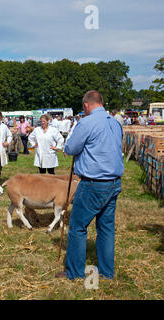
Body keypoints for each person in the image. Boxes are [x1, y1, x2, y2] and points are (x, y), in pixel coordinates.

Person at [56, 90, 123, 280]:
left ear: (86, 105)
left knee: (77, 226)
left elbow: (71, 148)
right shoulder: (115, 122)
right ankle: (106, 272)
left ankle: (75, 272)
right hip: (114, 182)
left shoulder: (87, 122)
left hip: (94, 183)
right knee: (106, 227)